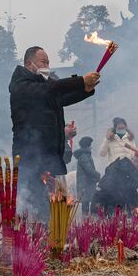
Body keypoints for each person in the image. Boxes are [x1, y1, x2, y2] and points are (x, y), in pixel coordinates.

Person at [10, 46, 99, 219]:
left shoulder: (44, 86)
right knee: (36, 207)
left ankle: (49, 238)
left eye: (48, 62)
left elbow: (60, 97)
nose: (47, 66)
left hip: (48, 156)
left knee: (52, 206)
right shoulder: (21, 86)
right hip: (30, 157)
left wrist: (85, 90)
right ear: (29, 64)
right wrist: (81, 81)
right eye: (43, 62)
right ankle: (36, 240)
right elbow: (52, 90)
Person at [73, 137, 101, 216]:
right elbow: (89, 170)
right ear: (88, 146)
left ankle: (86, 221)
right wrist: (98, 175)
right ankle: (86, 221)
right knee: (86, 202)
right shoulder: (84, 156)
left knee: (86, 201)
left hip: (86, 183)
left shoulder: (84, 155)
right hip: (86, 183)